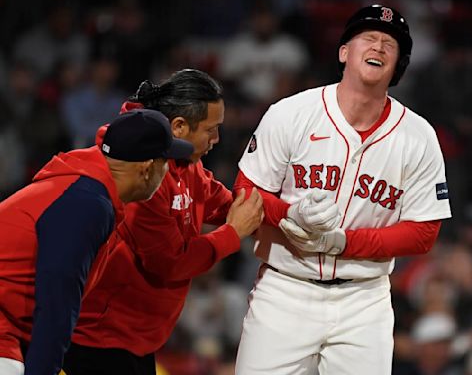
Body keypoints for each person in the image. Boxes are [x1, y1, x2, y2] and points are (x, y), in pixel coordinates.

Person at [233, 4, 452, 375]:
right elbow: (245, 191)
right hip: (286, 288)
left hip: (364, 300)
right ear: (344, 52)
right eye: (368, 37)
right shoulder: (291, 113)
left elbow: (424, 232)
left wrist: (345, 243)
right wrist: (291, 215)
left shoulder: (418, 136)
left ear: (399, 65)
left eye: (390, 44)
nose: (379, 46)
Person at [62, 69, 301, 375]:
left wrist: (291, 214)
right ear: (178, 127)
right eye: (211, 129)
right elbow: (170, 262)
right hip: (99, 340)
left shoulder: (185, 161)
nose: (217, 139)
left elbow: (226, 203)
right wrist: (232, 233)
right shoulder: (141, 170)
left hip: (136, 338)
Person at [0, 108, 194, 375]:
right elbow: (57, 303)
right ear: (148, 168)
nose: (168, 172)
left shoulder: (88, 188)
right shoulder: (88, 204)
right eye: (166, 162)